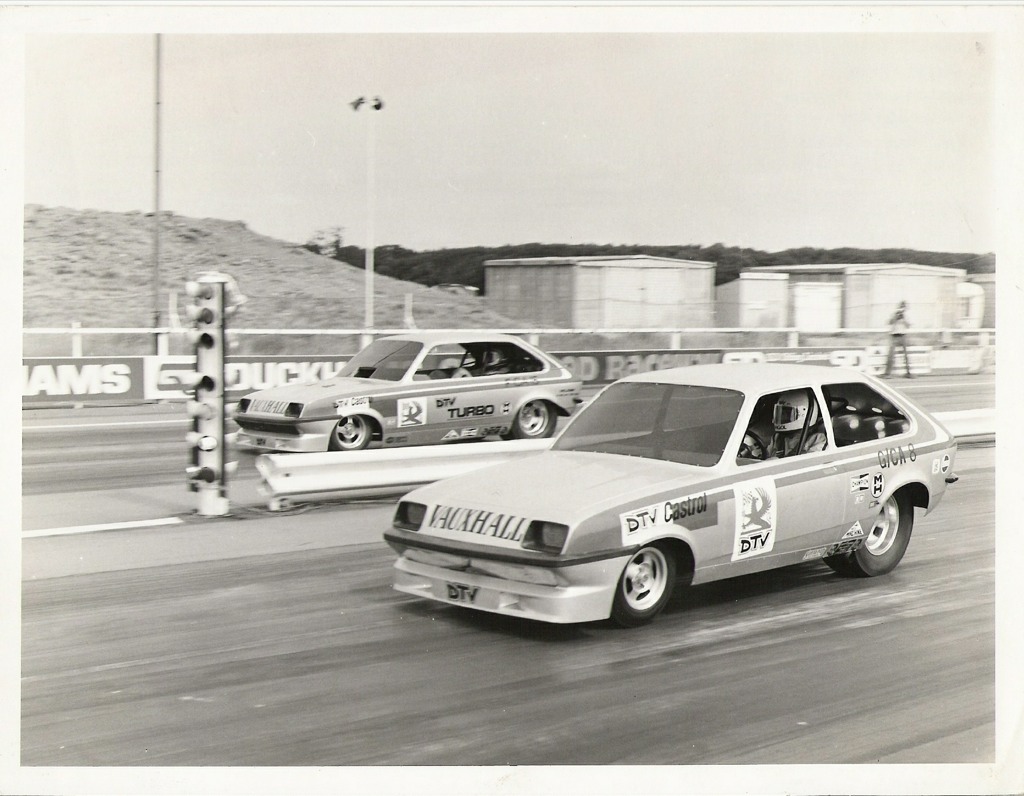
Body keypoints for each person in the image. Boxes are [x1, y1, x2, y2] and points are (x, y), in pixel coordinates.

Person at [766, 390, 827, 458]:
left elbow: (810, 464)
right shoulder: (777, 438)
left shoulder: (817, 439)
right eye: (780, 413)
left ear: (803, 414)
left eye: (786, 414)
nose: (781, 417)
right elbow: (766, 457)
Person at [883, 301, 913, 378]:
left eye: (904, 307)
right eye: (902, 306)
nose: (903, 308)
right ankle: (887, 373)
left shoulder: (906, 316)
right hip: (894, 335)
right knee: (891, 355)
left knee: (906, 355)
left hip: (903, 335)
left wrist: (903, 318)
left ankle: (908, 372)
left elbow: (908, 325)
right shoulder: (894, 313)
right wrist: (896, 317)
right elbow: (890, 322)